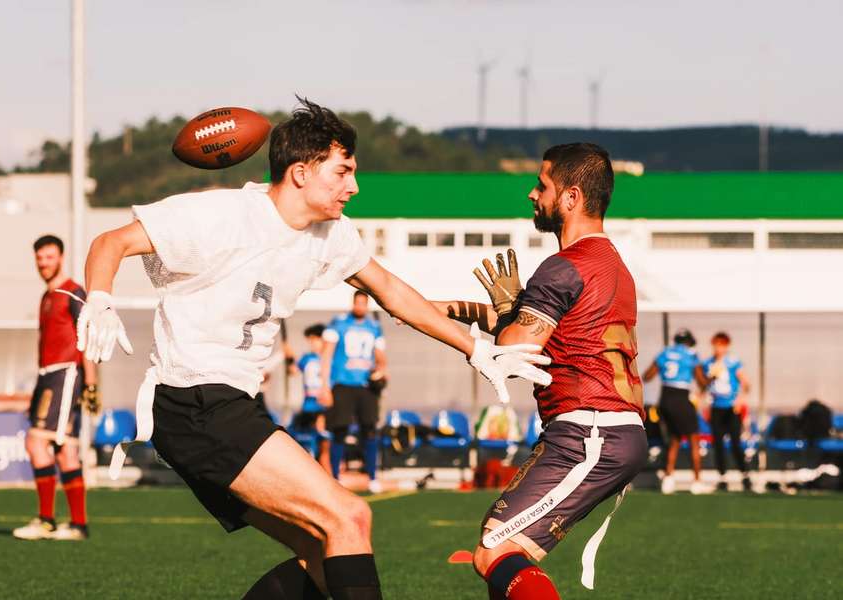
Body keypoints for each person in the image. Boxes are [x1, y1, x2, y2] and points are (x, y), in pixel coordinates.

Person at [76, 98, 548, 600]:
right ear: (301, 173)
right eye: (343, 171)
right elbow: (110, 243)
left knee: (326, 552)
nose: (354, 186)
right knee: (350, 515)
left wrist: (474, 346)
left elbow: (392, 291)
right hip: (195, 401)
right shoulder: (220, 214)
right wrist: (100, 297)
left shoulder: (331, 235)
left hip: (227, 405)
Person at [436, 143, 647, 599]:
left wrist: (473, 323)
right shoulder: (610, 264)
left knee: (495, 549)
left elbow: (516, 353)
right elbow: (548, 332)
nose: (533, 195)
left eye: (542, 185)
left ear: (571, 198)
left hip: (590, 428)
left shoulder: (564, 266)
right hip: (604, 428)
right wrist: (447, 309)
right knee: (505, 545)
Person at [13, 235, 99, 541]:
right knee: (65, 452)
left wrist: (91, 382)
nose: (43, 263)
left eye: (49, 257)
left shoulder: (73, 293)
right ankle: (78, 525)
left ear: (60, 257)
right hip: (47, 376)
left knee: (36, 444)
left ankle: (46, 519)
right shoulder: (46, 296)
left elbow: (86, 335)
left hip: (65, 374)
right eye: (39, 258)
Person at [321, 290, 386, 493]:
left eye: (363, 303)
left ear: (367, 305)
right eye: (357, 302)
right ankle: (335, 477)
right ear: (353, 303)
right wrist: (324, 385)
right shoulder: (339, 323)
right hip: (342, 383)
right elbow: (326, 355)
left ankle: (373, 476)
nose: (360, 307)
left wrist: (381, 371)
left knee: (370, 429)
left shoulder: (374, 327)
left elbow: (381, 358)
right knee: (339, 429)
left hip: (365, 386)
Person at [642, 328, 708, 494]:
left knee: (674, 439)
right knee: (694, 438)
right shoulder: (691, 355)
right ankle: (697, 482)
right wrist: (710, 378)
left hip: (665, 398)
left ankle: (668, 479)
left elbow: (647, 376)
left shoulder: (665, 352)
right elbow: (702, 383)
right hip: (681, 397)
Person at [700, 332, 752, 491]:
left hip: (731, 407)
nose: (718, 348)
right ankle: (722, 476)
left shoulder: (733, 362)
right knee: (718, 443)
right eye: (716, 344)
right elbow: (703, 386)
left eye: (722, 345)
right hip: (716, 407)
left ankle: (745, 474)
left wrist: (740, 400)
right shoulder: (708, 363)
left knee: (735, 443)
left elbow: (746, 384)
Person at [293, 323, 332, 473]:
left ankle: (329, 474)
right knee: (309, 443)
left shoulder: (329, 359)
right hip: (309, 405)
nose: (312, 343)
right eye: (310, 340)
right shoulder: (307, 358)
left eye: (314, 340)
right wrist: (289, 357)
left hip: (324, 405)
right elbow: (294, 370)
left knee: (324, 444)